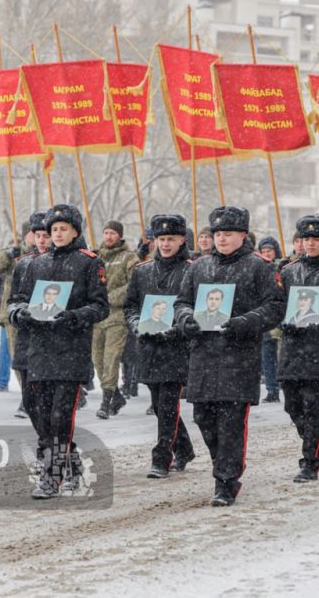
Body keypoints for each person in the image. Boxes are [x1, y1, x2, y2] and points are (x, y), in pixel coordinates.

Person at [175, 206, 285, 506]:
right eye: (217, 234)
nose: (221, 239)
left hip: (238, 355)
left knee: (231, 422)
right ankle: (221, 464)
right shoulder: (198, 267)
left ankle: (226, 480)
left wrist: (242, 323)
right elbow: (182, 302)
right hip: (203, 356)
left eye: (228, 234)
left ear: (242, 235)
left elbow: (275, 307)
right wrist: (186, 319)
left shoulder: (259, 267)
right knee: (204, 418)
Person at [9, 205, 108, 497]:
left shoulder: (89, 263)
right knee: (39, 412)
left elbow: (101, 306)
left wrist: (74, 316)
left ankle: (51, 475)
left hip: (70, 351)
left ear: (75, 231)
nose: (57, 234)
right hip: (38, 351)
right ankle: (69, 460)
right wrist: (21, 313)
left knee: (61, 417)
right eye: (53, 230)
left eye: (63, 229)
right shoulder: (33, 264)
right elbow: (15, 301)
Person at [124, 213, 197, 478]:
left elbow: (198, 308)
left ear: (181, 239)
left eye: (171, 239)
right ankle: (185, 448)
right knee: (158, 405)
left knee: (168, 404)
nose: (165, 244)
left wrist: (177, 329)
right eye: (161, 239)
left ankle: (162, 457)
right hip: (149, 347)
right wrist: (136, 324)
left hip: (177, 348)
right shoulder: (142, 271)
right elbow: (130, 305)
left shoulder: (192, 269)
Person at [277, 214, 319, 482]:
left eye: (316, 239)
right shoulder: (289, 271)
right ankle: (315, 440)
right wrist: (283, 322)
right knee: (292, 405)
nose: (310, 243)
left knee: (313, 407)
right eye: (306, 239)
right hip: (292, 347)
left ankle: (310, 461)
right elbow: (279, 305)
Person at [0, 219, 37, 412]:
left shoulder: (46, 253)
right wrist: (7, 255)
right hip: (14, 315)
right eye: (33, 232)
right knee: (18, 360)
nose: (37, 236)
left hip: (39, 314)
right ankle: (27, 396)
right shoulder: (14, 255)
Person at [92, 220, 139, 420]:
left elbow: (134, 284)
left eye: (112, 233)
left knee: (111, 359)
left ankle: (106, 400)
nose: (109, 237)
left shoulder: (129, 257)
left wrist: (109, 298)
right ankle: (117, 396)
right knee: (98, 360)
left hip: (117, 316)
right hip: (98, 316)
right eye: (106, 232)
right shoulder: (95, 257)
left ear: (119, 236)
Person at [257, 236, 283, 403]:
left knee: (280, 356)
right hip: (265, 317)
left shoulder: (282, 268)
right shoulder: (258, 268)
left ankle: (282, 384)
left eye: (269, 251)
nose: (266, 254)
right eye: (263, 251)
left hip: (280, 316)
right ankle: (272, 389)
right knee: (267, 356)